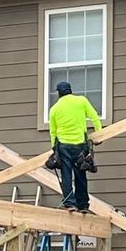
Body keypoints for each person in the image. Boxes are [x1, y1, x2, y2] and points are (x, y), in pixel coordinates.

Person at [47, 81, 103, 212]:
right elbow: (94, 117)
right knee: (80, 175)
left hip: (64, 146)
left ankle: (70, 203)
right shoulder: (81, 101)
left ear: (59, 93)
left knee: (66, 176)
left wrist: (54, 149)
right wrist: (99, 133)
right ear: (70, 90)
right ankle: (83, 205)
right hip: (80, 145)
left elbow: (53, 132)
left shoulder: (54, 108)